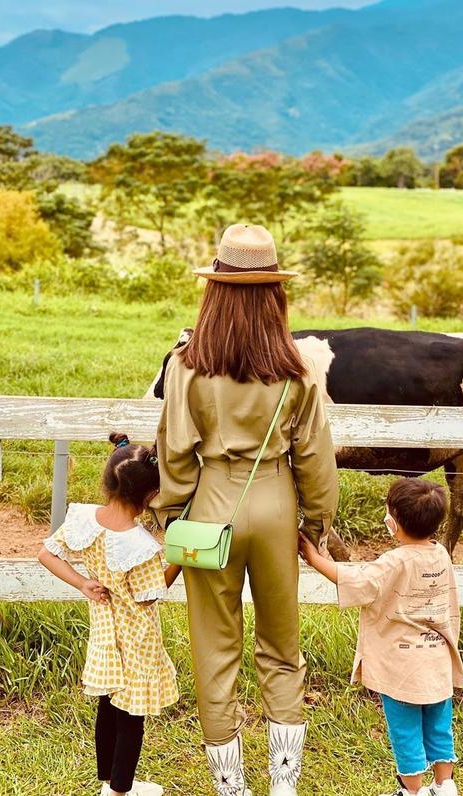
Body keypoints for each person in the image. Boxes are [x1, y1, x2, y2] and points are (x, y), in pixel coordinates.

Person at [149, 224, 339, 796]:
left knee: (215, 648)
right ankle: (284, 783)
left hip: (210, 504)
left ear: (214, 290)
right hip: (276, 499)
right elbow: (315, 456)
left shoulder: (187, 365)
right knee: (282, 646)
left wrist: (170, 518)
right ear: (275, 292)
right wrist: (316, 525)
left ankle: (231, 787)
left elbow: (174, 452)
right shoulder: (297, 366)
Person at [299, 478, 463, 796]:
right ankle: (445, 786)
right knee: (439, 728)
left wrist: (314, 558)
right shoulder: (441, 555)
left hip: (402, 670)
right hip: (438, 663)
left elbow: (358, 582)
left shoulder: (394, 561)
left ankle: (411, 791)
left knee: (406, 733)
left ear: (393, 522)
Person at [38, 433, 181, 796]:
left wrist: (83, 583)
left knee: (107, 707)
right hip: (137, 642)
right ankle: (120, 791)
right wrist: (179, 563)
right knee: (131, 717)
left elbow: (47, 554)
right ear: (150, 496)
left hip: (104, 634)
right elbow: (149, 597)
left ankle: (109, 782)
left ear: (108, 480)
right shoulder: (141, 546)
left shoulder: (85, 520)